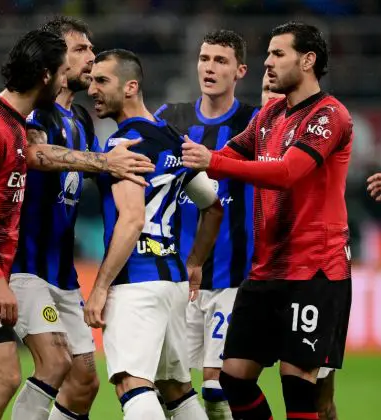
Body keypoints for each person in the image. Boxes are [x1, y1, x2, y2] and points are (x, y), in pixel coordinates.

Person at [0, 29, 154, 420]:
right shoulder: (8, 123)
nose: (89, 60)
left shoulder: (61, 120)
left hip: (34, 271)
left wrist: (121, 160)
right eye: (77, 52)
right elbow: (27, 161)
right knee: (13, 375)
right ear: (48, 72)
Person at [182, 22, 353, 420]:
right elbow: (232, 154)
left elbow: (289, 172)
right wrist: (186, 164)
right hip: (266, 269)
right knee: (234, 379)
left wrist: (215, 162)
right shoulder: (271, 113)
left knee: (298, 387)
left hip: (314, 269)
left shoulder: (329, 116)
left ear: (307, 60)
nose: (268, 62)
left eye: (278, 54)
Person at [84, 48, 224, 420]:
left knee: (132, 384)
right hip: (174, 282)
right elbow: (213, 206)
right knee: (176, 389)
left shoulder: (121, 145)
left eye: (102, 81)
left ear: (131, 86)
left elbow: (130, 220)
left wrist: (99, 288)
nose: (92, 89)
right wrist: (194, 263)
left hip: (136, 282)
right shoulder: (175, 141)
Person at [155, 29, 257, 420]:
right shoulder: (170, 119)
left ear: (239, 71)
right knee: (171, 387)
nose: (209, 67)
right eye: (204, 58)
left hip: (233, 278)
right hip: (177, 278)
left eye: (220, 60)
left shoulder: (254, 122)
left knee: (217, 386)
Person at [10, 16, 101, 420]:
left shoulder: (81, 119)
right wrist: (103, 162)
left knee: (84, 379)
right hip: (24, 266)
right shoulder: (36, 113)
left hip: (63, 272)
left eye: (92, 49)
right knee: (54, 363)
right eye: (81, 49)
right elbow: (35, 155)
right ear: (57, 60)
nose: (92, 58)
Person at [262, 69, 340, 420]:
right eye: (264, 91)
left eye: (274, 90)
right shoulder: (253, 140)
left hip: (311, 272)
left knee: (316, 397)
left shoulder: (313, 133)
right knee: (226, 382)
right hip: (254, 276)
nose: (272, 97)